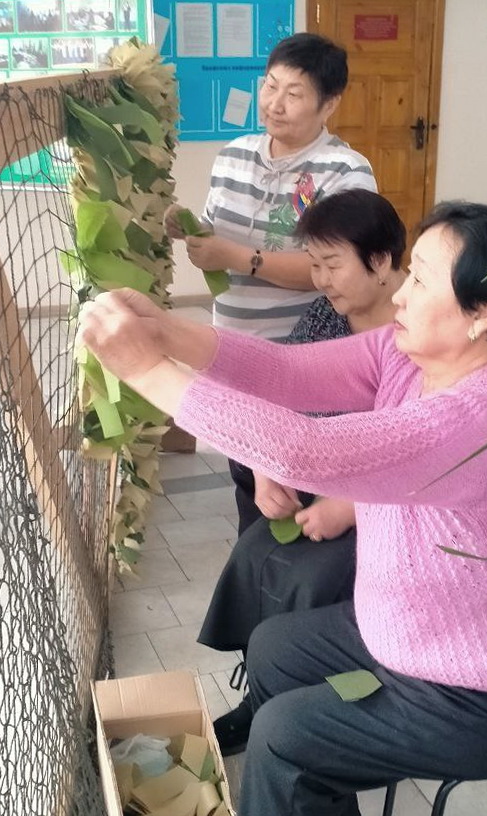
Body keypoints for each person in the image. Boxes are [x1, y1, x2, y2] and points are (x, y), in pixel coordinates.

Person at [81, 200, 487, 816]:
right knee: (275, 647)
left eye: (422, 281)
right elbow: (285, 371)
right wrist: (163, 331)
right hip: (407, 633)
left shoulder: (484, 417)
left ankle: (293, 778)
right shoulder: (409, 356)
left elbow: (304, 450)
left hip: (482, 690)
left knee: (285, 736)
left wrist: (145, 370)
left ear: (484, 312)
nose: (401, 295)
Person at [198, 189, 407, 755]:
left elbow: (431, 453)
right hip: (322, 485)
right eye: (314, 264)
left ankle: (313, 707)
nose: (321, 280)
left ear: (381, 260)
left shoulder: (419, 334)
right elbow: (275, 396)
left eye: (332, 264)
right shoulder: (325, 316)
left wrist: (351, 506)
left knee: (310, 578)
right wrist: (268, 468)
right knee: (254, 552)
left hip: (395, 506)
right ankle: (261, 697)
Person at [164, 32, 377, 536]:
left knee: (301, 487)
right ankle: (258, 568)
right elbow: (216, 235)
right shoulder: (233, 155)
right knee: (248, 479)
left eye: (294, 93)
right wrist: (189, 229)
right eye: (270, 86)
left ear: (330, 104)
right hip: (233, 350)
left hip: (304, 358)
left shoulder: (345, 172)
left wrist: (237, 257)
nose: (275, 104)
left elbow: (336, 269)